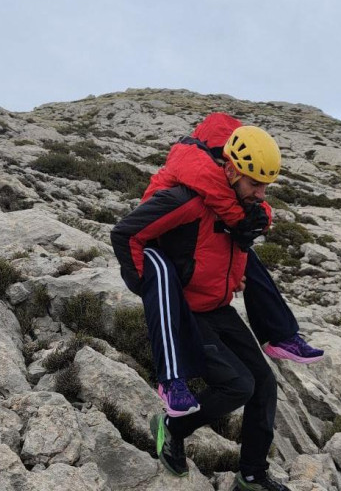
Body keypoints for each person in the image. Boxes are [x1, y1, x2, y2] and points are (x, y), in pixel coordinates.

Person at [111, 125, 304, 490]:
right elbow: (125, 233)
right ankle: (171, 427)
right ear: (230, 171)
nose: (261, 194)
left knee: (263, 382)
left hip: (218, 307)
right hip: (187, 311)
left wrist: (235, 278)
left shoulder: (238, 209)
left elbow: (226, 250)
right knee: (238, 385)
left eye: (266, 186)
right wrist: (147, 285)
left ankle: (252, 475)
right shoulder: (188, 200)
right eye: (254, 184)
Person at [132, 114, 324, 418]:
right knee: (239, 383)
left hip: (200, 251)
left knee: (248, 252)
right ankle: (171, 381)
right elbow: (215, 189)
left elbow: (244, 202)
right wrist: (242, 218)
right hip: (168, 244)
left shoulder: (223, 170)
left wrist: (254, 222)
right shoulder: (192, 158)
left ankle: (280, 333)